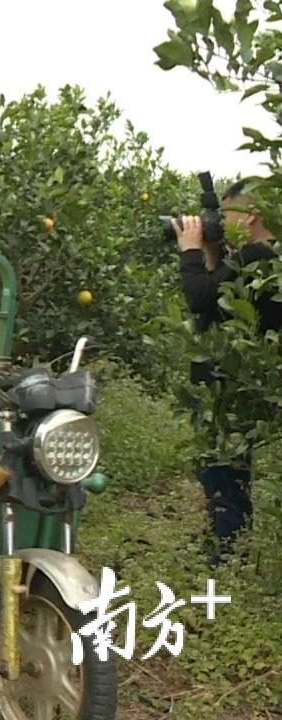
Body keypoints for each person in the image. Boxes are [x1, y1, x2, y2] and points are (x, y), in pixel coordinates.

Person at [174, 179, 282, 565]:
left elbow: (199, 297)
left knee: (225, 479)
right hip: (236, 389)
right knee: (224, 477)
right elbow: (220, 303)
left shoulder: (256, 256)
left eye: (225, 212)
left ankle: (226, 562)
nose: (215, 221)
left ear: (250, 215)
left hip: (226, 393)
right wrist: (214, 255)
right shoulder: (259, 260)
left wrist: (189, 252)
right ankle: (226, 551)